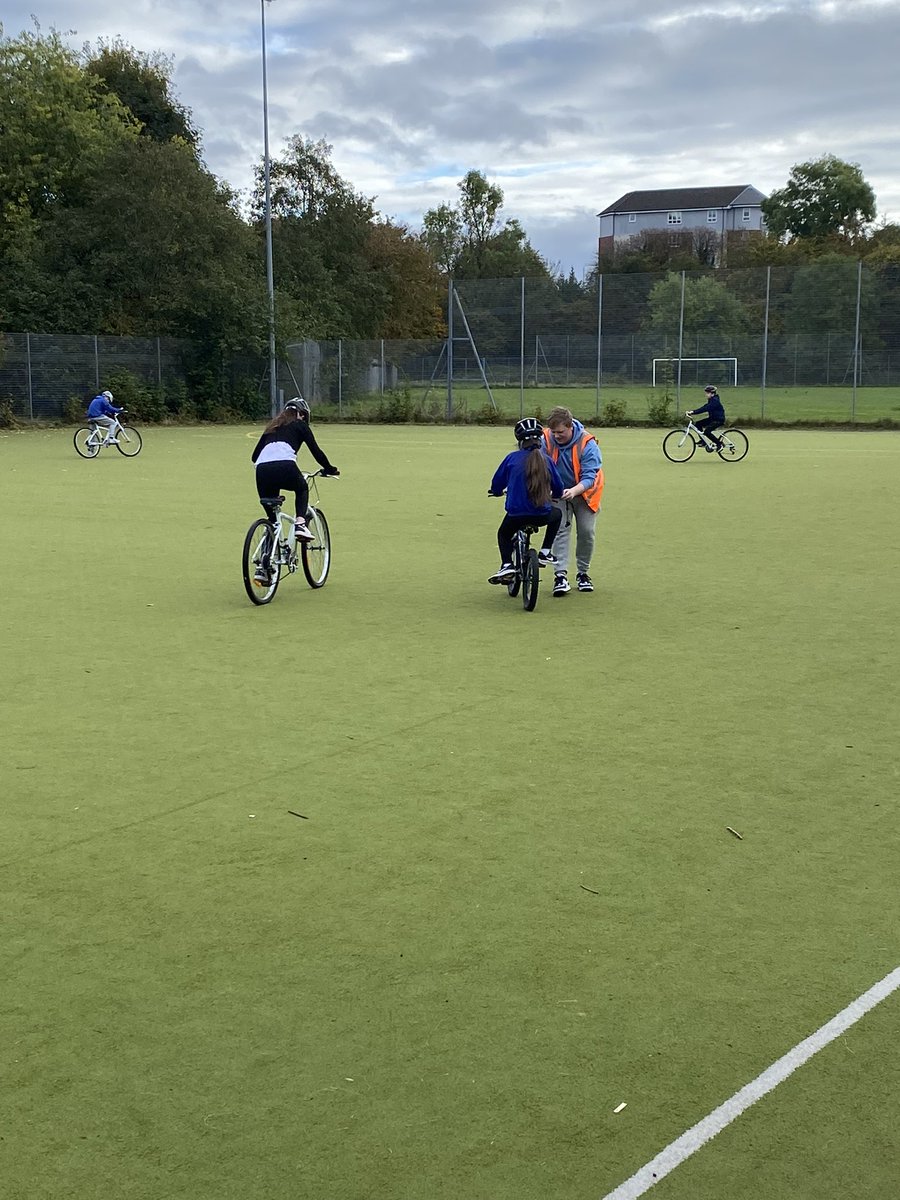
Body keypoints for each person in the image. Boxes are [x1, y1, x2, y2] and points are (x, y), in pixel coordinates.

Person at [250, 397, 340, 551]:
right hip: (285, 466)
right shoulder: (300, 425)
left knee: (273, 522)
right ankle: (300, 523)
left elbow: (254, 457)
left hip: (262, 471)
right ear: (301, 414)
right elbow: (316, 452)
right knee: (302, 488)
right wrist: (330, 468)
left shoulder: (272, 427)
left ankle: (264, 564)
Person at [487, 417, 564, 584]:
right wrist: (555, 494)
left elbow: (497, 482)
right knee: (557, 514)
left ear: (520, 442)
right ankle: (545, 551)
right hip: (541, 515)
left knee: (504, 534)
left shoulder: (512, 458)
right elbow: (558, 486)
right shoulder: (547, 460)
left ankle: (507, 564)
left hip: (516, 515)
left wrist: (496, 491)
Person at [541, 406, 604, 595]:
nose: (556, 436)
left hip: (584, 492)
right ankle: (560, 576)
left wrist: (574, 491)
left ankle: (583, 574)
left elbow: (589, 476)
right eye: (553, 432)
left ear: (570, 427)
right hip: (557, 492)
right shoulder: (546, 439)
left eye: (560, 432)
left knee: (586, 532)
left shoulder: (587, 443)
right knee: (560, 530)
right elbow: (541, 465)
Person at [686, 385, 726, 451]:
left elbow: (705, 408)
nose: (706, 394)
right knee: (698, 424)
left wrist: (693, 412)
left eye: (707, 393)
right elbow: (704, 407)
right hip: (712, 418)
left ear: (712, 393)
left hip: (719, 420)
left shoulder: (715, 401)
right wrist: (693, 412)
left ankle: (719, 444)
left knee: (707, 432)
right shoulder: (711, 400)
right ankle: (703, 441)